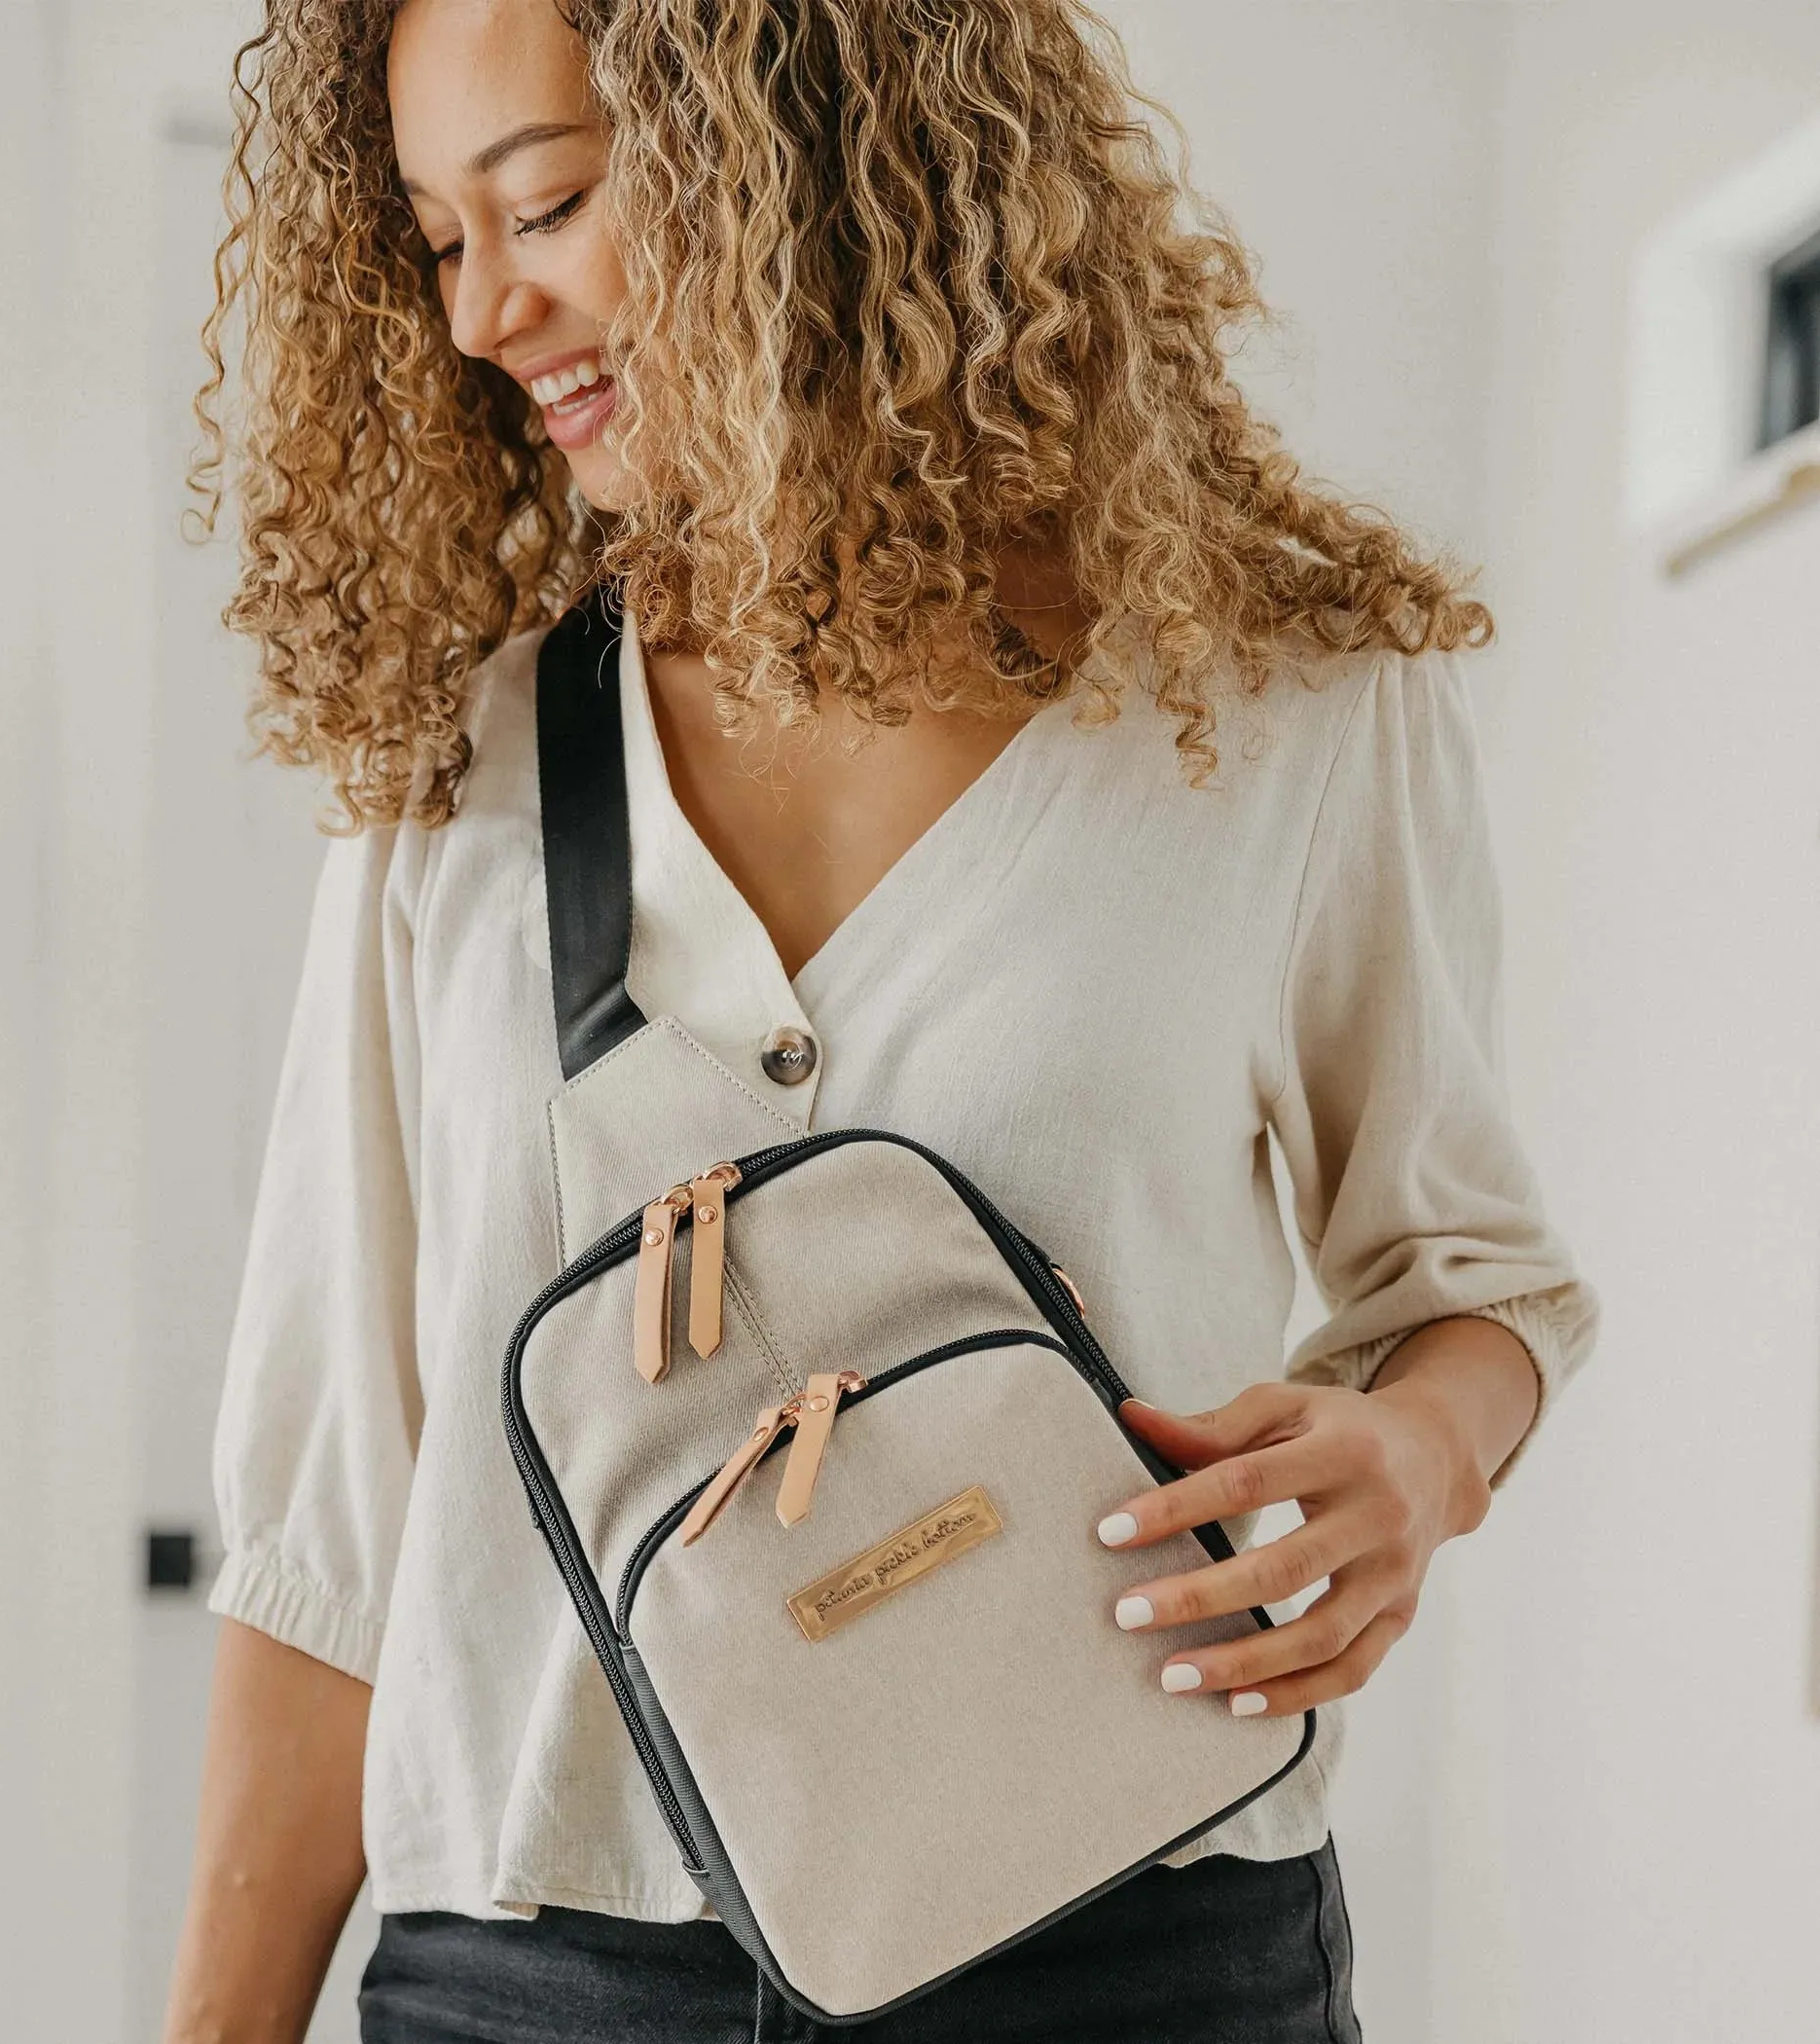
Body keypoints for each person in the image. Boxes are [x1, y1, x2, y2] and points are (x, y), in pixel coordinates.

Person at [163, 2, 1597, 2040]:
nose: (487, 309)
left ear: (804, 161)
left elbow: (1470, 1277)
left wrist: (1419, 1454)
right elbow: (327, 1534)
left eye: (549, 201)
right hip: (538, 1977)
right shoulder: (456, 784)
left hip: (1134, 1968)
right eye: (436, 240)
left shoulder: (1289, 716)